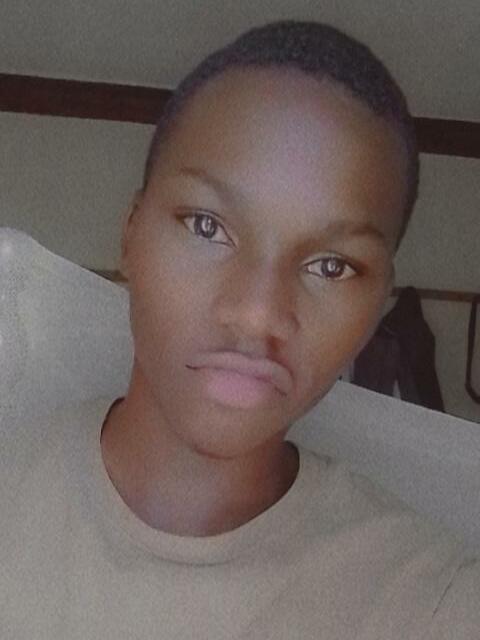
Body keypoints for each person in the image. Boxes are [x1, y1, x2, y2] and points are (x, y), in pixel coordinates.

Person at [2, 19, 479, 639]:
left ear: (376, 308)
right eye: (208, 226)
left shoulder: (433, 602)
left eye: (331, 266)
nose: (258, 313)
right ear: (131, 235)